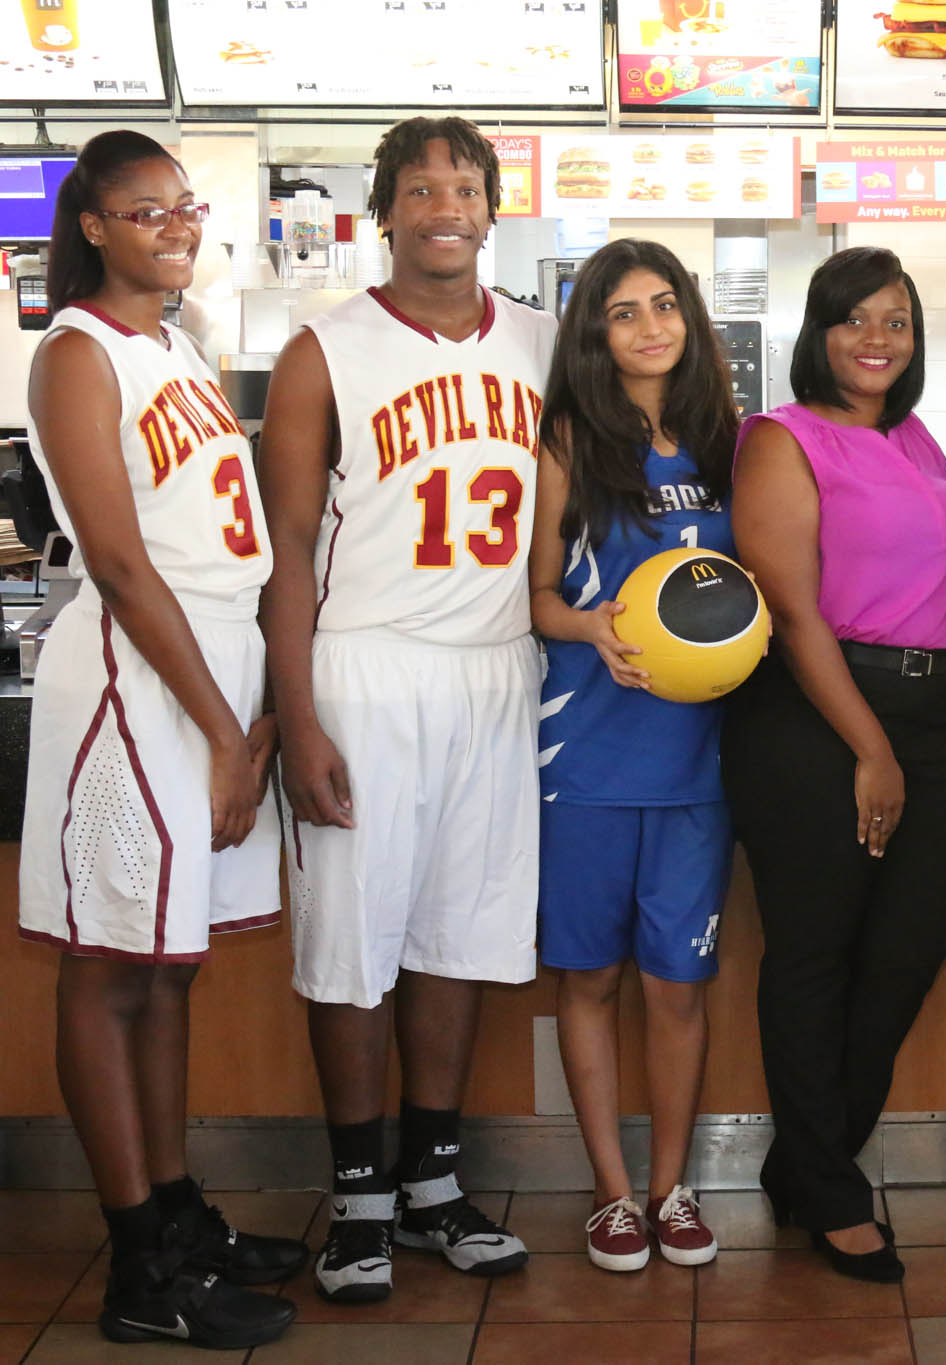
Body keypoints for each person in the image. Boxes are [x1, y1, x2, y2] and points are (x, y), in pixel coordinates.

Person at [258, 116, 556, 1304]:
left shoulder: (541, 341)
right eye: (421, 187)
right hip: (366, 671)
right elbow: (283, 550)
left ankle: (432, 1184)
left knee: (460, 937)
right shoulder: (321, 350)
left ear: (492, 210)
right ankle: (360, 1196)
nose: (446, 204)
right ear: (383, 210)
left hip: (497, 667)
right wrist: (297, 718)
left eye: (467, 185)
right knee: (353, 947)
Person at [19, 128, 303, 1352]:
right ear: (92, 226)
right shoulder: (75, 353)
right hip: (143, 680)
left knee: (172, 962)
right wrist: (227, 731)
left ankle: (177, 1208)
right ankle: (139, 1261)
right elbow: (125, 567)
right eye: (147, 212)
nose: (176, 227)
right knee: (111, 963)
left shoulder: (178, 345)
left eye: (186, 209)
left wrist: (249, 717)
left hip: (212, 670)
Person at [724, 246, 946, 1284]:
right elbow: (788, 610)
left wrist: (930, 720)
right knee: (814, 956)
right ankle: (830, 1187)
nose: (876, 340)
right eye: (854, 320)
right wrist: (868, 747)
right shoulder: (777, 439)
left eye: (896, 322)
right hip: (813, 716)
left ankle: (806, 1159)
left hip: (928, 712)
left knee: (907, 952)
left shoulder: (917, 436)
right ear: (816, 334)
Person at [530, 239, 736, 1273]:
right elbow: (533, 597)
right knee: (589, 980)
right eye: (624, 311)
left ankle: (672, 1186)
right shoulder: (568, 438)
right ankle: (612, 1195)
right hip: (586, 758)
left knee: (676, 988)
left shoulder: (722, 441)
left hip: (696, 765)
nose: (651, 326)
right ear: (593, 332)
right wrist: (589, 629)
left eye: (666, 305)